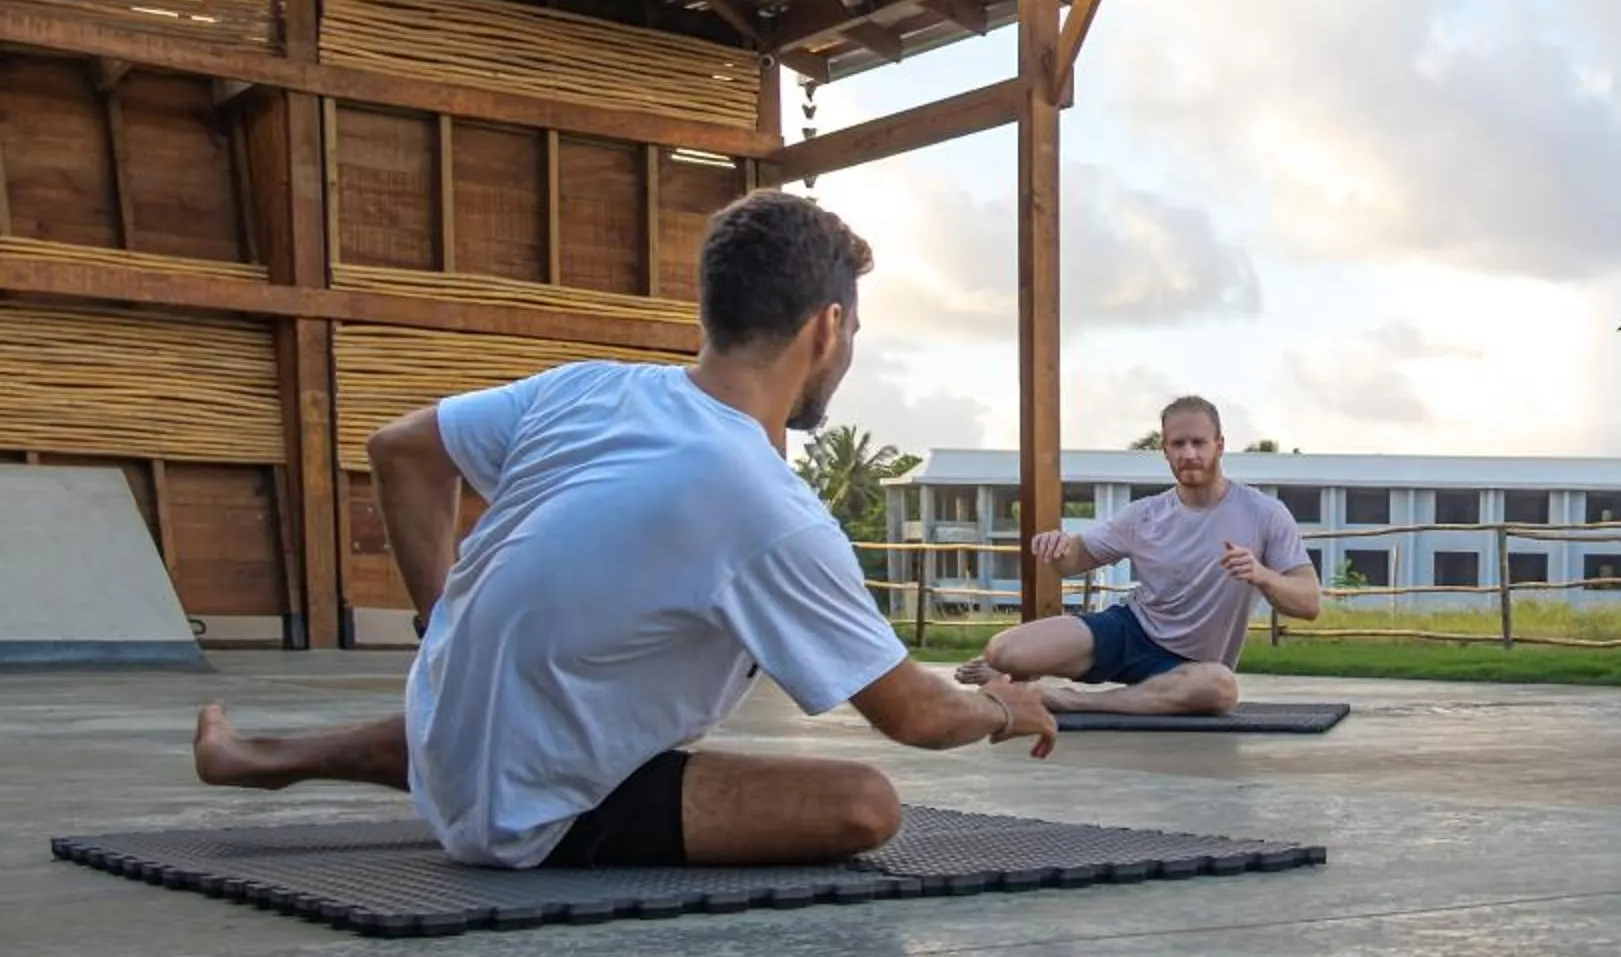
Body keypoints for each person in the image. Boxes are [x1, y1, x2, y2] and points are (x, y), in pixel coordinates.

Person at [189, 189, 1059, 868]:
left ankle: (266, 754)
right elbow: (909, 713)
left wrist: (442, 622)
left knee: (519, 690)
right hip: (534, 820)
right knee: (866, 803)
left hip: (450, 750)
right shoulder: (767, 504)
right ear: (827, 329)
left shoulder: (587, 390)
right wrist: (997, 708)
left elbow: (400, 452)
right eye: (855, 328)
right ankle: (460, 784)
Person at [956, 395, 1321, 716]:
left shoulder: (1264, 513)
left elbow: (1309, 603)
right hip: (1131, 632)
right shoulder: (1144, 515)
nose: (1189, 454)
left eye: (1199, 442)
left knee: (1220, 689)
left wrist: (1262, 575)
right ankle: (1016, 677)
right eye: (1178, 444)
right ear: (1165, 449)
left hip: (1192, 668)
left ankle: (1062, 700)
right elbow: (1076, 560)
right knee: (1004, 651)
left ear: (1220, 445)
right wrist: (1059, 546)